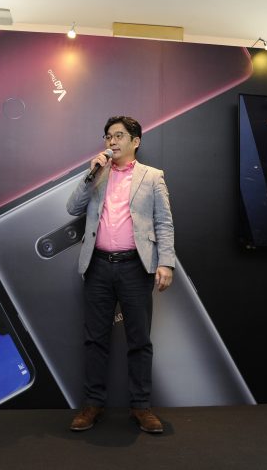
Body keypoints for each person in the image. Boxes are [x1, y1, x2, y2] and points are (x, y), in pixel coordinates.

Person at [65, 115, 176, 434]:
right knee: (94, 339)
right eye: (107, 136)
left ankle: (141, 406)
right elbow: (73, 208)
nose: (111, 141)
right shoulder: (97, 174)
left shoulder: (152, 177)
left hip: (135, 267)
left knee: (139, 340)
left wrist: (166, 262)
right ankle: (92, 404)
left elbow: (164, 222)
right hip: (97, 265)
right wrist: (91, 174)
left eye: (118, 136)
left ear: (135, 141)